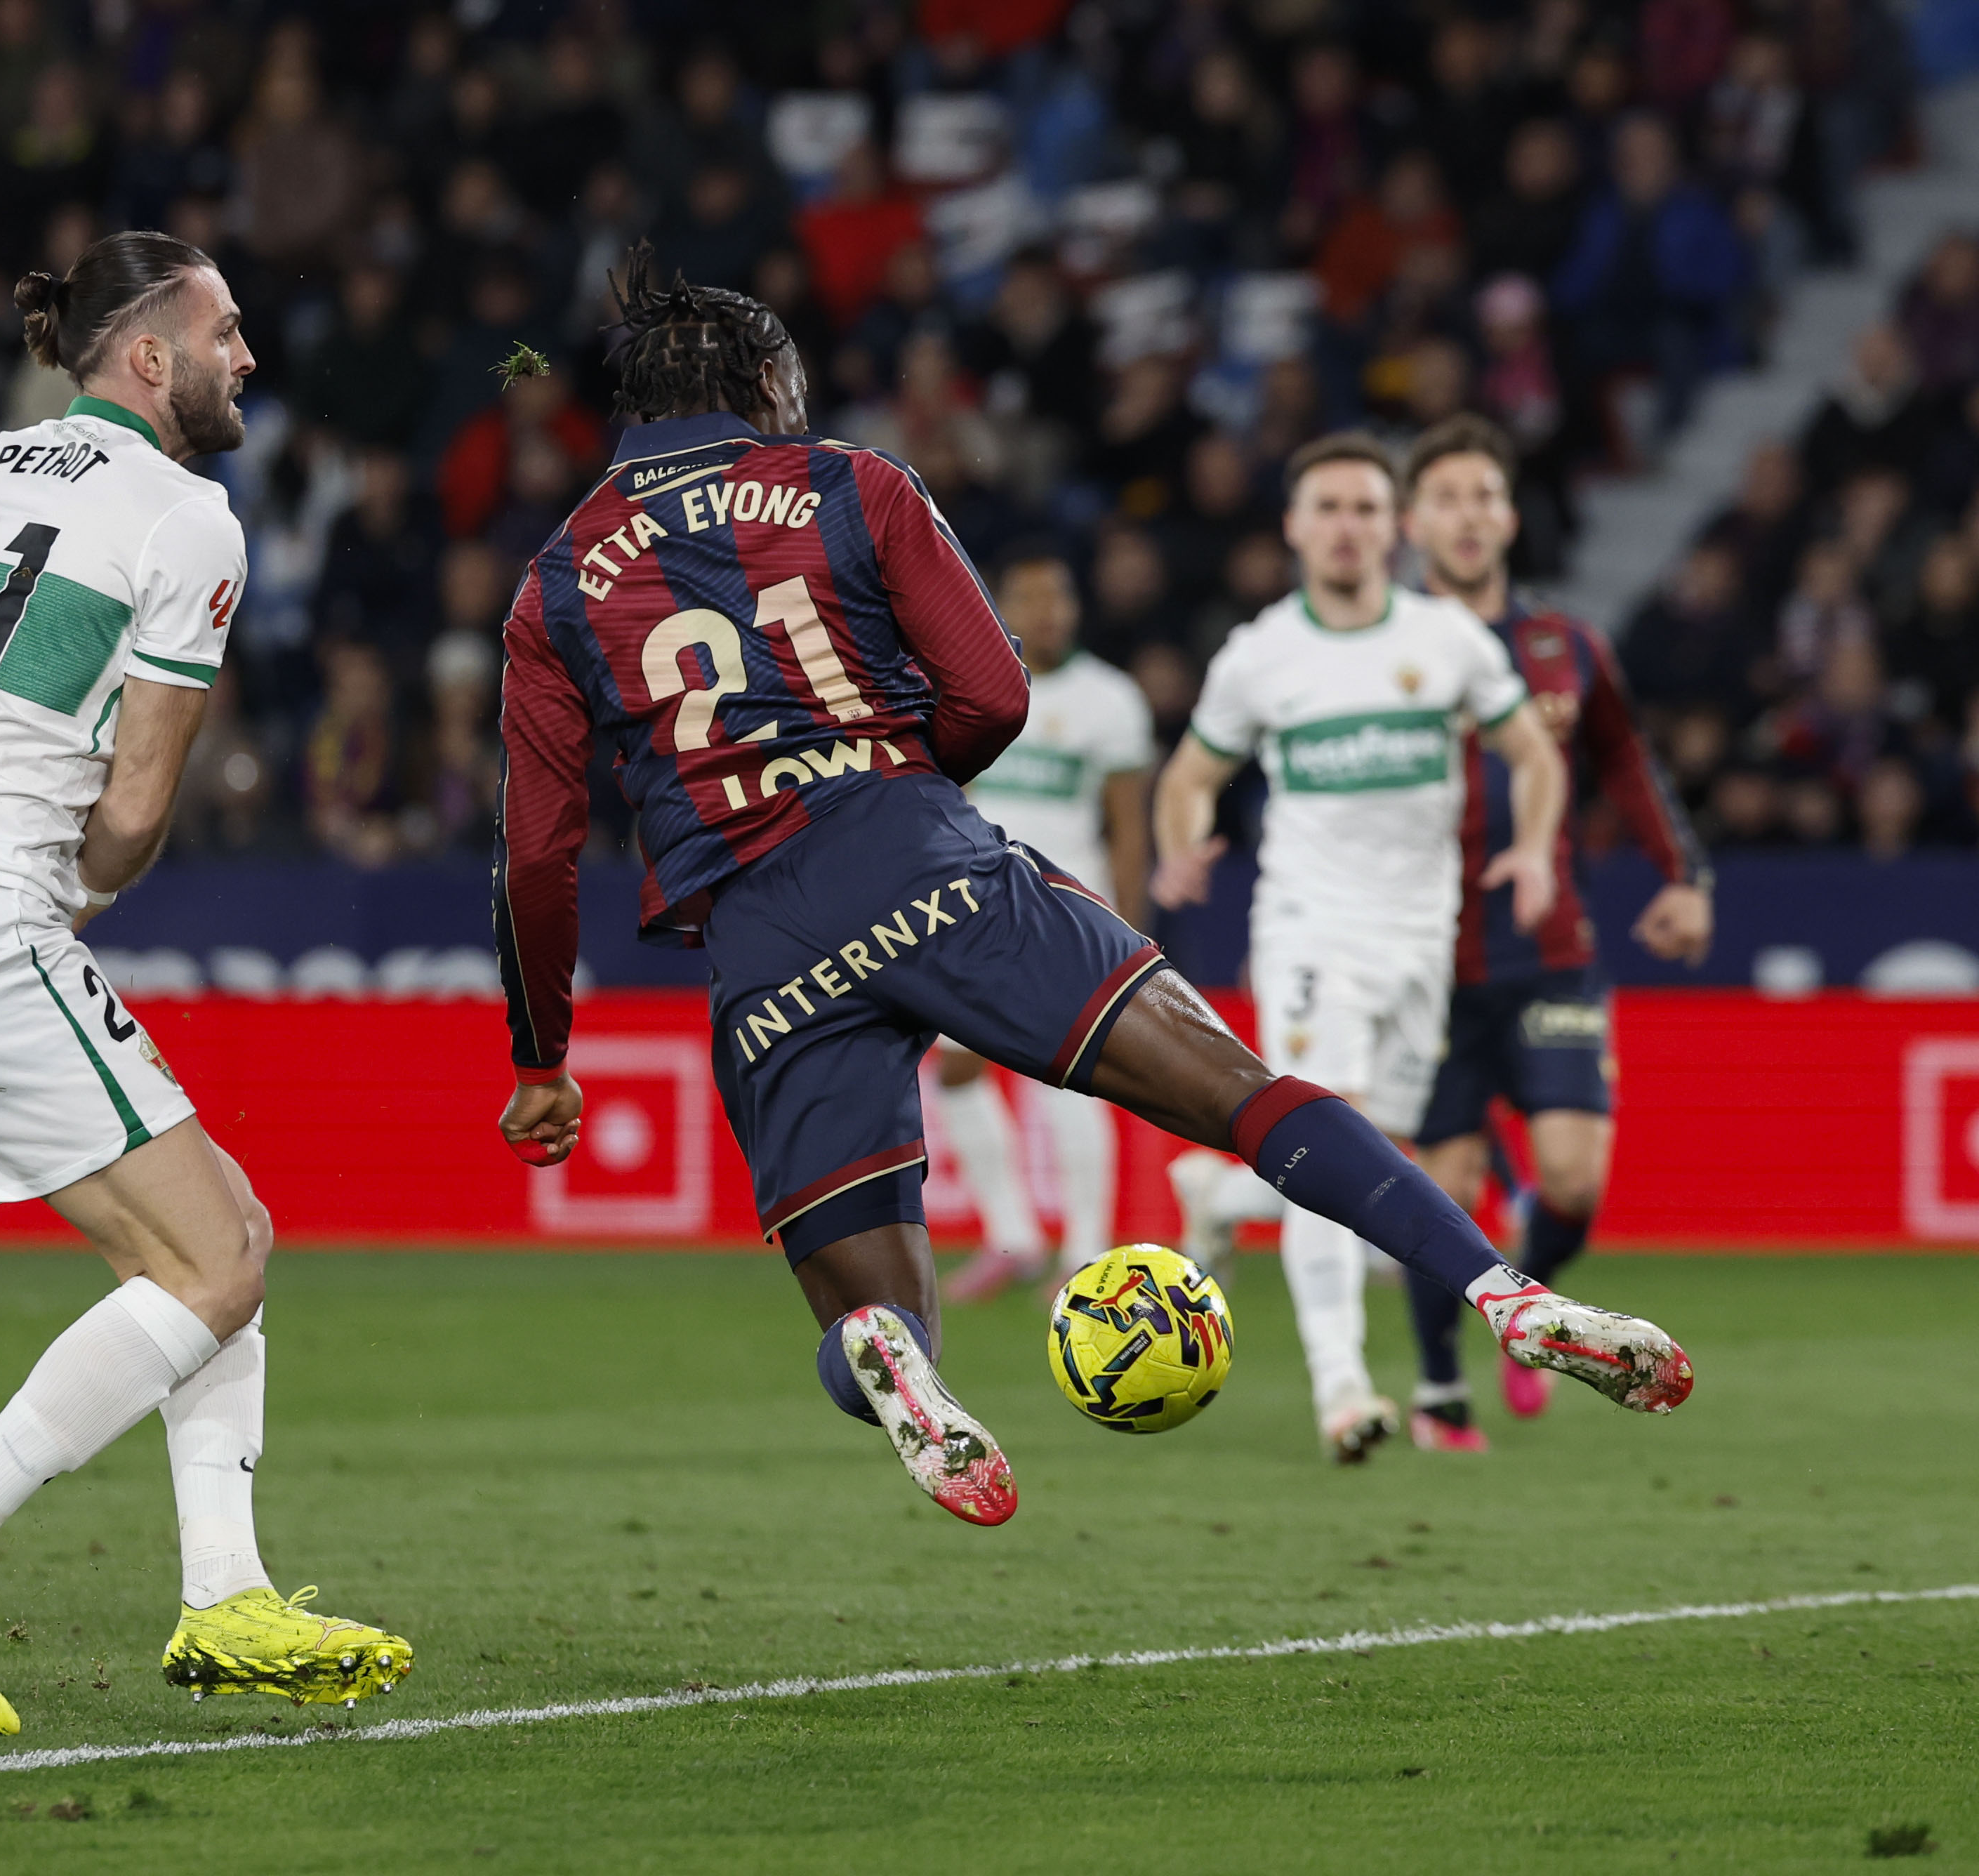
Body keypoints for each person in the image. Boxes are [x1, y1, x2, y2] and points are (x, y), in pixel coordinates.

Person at [496, 251, 1691, 1526]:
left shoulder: (556, 580)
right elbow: (996, 693)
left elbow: (536, 855)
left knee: (875, 1308)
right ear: (759, 379)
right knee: (1247, 1098)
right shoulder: (853, 482)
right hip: (916, 853)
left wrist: (542, 1059)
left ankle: (888, 1358)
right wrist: (889, 784)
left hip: (760, 948)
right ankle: (1512, 1297)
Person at [0, 231, 409, 1736]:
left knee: (214, 1245)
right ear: (148, 357)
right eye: (225, 334)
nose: (248, 360)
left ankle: (226, 1593)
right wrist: (57, 887)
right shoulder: (187, 515)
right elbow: (138, 810)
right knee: (217, 1267)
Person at [1151, 430, 1574, 1464]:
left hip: (1419, 938)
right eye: (1327, 509)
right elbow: (1188, 777)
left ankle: (1214, 1191)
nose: (1347, 528)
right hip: (1309, 928)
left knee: (1373, 1163)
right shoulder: (1262, 654)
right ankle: (1342, 1390)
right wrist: (1180, 851)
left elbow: (1533, 752)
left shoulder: (1449, 640)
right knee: (1324, 1137)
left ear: (1397, 527)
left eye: (1365, 510)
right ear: (1294, 527)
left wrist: (1532, 850)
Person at [1399, 414, 1714, 1447]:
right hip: (1424, 959)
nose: (1469, 515)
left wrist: (1685, 875)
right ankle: (1441, 1391)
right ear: (1415, 521)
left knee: (1573, 1183)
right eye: (1446, 496)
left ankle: (1531, 1319)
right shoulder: (1382, 653)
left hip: (1552, 952)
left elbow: (1626, 763)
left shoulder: (1566, 646)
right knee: (1439, 1194)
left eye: (1485, 495)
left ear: (1510, 514)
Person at [936, 551, 1153, 1301]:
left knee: (1069, 1077)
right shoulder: (972, 686)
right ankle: (1014, 1237)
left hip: (1068, 911)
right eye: (1027, 598)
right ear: (1000, 608)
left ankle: (1088, 1252)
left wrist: (1132, 923)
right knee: (956, 1070)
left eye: (1056, 595)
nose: (1044, 611)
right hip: (974, 905)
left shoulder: (1110, 699)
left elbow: (1129, 825)